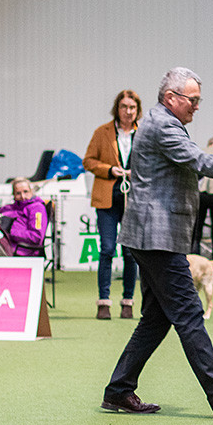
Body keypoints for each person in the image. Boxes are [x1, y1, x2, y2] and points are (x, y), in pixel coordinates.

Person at [101, 66, 213, 418]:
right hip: (156, 236)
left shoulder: (163, 123)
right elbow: (200, 161)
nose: (197, 106)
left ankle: (119, 389)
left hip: (153, 235)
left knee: (156, 319)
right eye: (193, 100)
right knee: (188, 313)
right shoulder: (163, 125)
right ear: (171, 98)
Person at [83, 89, 142, 320]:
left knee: (130, 253)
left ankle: (128, 301)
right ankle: (103, 302)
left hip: (134, 200)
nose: (128, 112)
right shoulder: (102, 132)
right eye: (124, 107)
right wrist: (109, 170)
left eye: (133, 108)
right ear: (117, 108)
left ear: (138, 110)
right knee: (107, 249)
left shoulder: (145, 133)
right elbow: (88, 161)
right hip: (107, 198)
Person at [0, 177, 49, 256]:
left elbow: (36, 237)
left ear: (31, 192)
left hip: (23, 250)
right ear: (13, 195)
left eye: (26, 192)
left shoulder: (37, 209)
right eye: (18, 193)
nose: (23, 196)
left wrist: (11, 232)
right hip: (6, 245)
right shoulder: (9, 208)